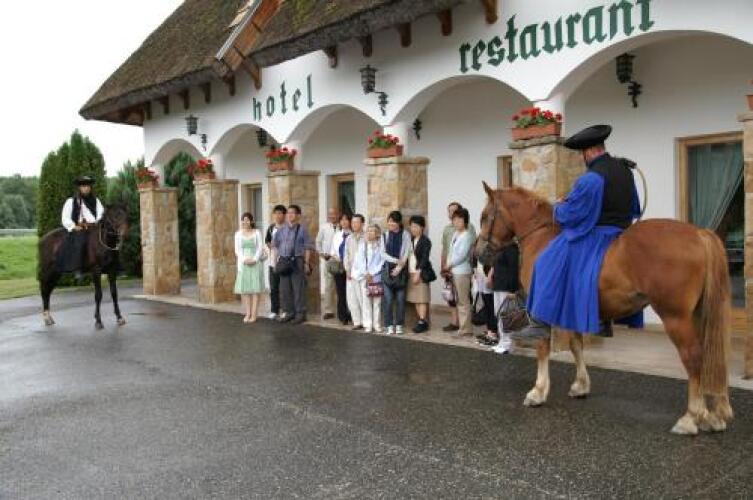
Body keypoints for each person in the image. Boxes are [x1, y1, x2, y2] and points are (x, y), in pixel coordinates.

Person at [514, 124, 643, 343]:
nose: (583, 159)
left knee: (546, 260)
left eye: (582, 154)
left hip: (598, 235)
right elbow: (634, 208)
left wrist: (558, 207)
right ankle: (603, 319)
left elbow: (571, 216)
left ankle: (539, 323)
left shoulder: (591, 178)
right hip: (622, 232)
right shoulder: (625, 170)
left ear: (589, 151)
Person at [273, 204, 314, 325]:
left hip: (297, 261)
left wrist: (306, 263)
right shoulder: (281, 230)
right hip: (283, 261)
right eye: (288, 213)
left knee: (298, 289)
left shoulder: (302, 230)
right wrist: (275, 262)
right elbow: (275, 246)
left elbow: (308, 247)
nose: (289, 215)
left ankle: (300, 314)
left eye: (292, 213)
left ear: (298, 215)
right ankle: (288, 313)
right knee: (285, 289)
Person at [58, 175, 105, 279]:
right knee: (81, 240)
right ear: (79, 188)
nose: (86, 188)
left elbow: (101, 213)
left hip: (94, 228)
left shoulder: (96, 201)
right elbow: (65, 217)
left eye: (88, 186)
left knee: (108, 239)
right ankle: (78, 268)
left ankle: (112, 266)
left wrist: (97, 223)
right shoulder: (71, 201)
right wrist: (73, 226)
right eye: (83, 186)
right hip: (79, 229)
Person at [441, 202, 477, 331]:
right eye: (454, 219)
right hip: (454, 271)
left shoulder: (467, 235)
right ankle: (462, 327)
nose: (456, 222)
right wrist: (447, 266)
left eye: (459, 220)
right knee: (457, 301)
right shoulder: (456, 234)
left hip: (462, 271)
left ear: (465, 221)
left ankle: (466, 329)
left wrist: (449, 265)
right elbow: (450, 251)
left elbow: (462, 255)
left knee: (463, 301)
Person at [380, 211, 411, 335]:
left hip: (401, 271)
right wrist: (395, 261)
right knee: (387, 300)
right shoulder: (385, 235)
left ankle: (399, 324)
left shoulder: (405, 235)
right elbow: (382, 253)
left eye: (393, 221)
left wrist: (399, 267)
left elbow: (407, 252)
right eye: (389, 221)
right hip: (387, 271)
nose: (391, 224)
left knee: (400, 300)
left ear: (399, 222)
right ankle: (388, 324)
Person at [488, 242, 520, 354]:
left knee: (507, 316)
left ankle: (508, 344)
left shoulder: (511, 249)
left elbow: (514, 270)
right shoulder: (500, 248)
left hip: (506, 288)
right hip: (498, 286)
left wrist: (512, 290)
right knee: (498, 314)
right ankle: (502, 341)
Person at [352, 223, 385, 333]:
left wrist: (373, 273)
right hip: (365, 278)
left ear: (377, 234)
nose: (369, 233)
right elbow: (359, 261)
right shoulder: (363, 246)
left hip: (376, 277)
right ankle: (368, 324)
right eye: (368, 231)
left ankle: (377, 324)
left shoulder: (380, 247)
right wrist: (366, 273)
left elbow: (382, 262)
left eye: (372, 231)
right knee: (366, 302)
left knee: (377, 302)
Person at [234, 212, 265, 323]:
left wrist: (254, 259)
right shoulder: (238, 234)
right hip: (244, 264)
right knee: (246, 291)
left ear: (251, 221)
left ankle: (254, 314)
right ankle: (248, 313)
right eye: (243, 220)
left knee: (255, 290)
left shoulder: (257, 232)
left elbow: (260, 248)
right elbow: (237, 250)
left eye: (247, 220)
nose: (245, 222)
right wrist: (244, 260)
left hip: (255, 263)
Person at [407, 215, 434, 333]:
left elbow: (424, 258)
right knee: (416, 299)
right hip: (411, 272)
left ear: (422, 227)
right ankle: (422, 321)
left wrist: (418, 272)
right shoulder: (411, 240)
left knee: (422, 298)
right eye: (412, 226)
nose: (413, 228)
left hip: (420, 273)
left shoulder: (425, 241)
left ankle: (422, 321)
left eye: (416, 226)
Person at [316, 207, 340, 320]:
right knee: (329, 286)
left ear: (338, 214)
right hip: (328, 260)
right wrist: (321, 254)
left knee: (341, 286)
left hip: (340, 260)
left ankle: (343, 309)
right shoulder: (324, 227)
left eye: (334, 214)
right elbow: (318, 242)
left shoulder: (342, 226)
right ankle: (328, 310)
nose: (332, 216)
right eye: (330, 214)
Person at [329, 213, 352, 326]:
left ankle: (352, 314)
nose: (344, 222)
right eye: (342, 220)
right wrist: (338, 258)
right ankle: (342, 315)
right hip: (339, 266)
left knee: (351, 292)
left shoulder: (353, 235)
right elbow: (332, 251)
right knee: (341, 292)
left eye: (346, 219)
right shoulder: (337, 235)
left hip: (351, 267)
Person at [344, 214, 366, 330]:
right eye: (352, 222)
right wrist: (347, 270)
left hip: (363, 273)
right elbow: (346, 255)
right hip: (351, 272)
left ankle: (366, 322)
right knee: (352, 298)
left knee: (363, 298)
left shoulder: (367, 237)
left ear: (362, 224)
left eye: (357, 222)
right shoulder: (349, 238)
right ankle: (357, 322)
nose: (354, 225)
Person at [265, 205, 287, 320]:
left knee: (284, 288)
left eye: (280, 213)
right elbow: (267, 241)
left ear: (284, 215)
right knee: (273, 287)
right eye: (276, 213)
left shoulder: (288, 228)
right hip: (272, 262)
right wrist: (271, 245)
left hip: (284, 262)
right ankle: (274, 310)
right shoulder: (271, 228)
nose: (277, 216)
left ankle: (285, 310)